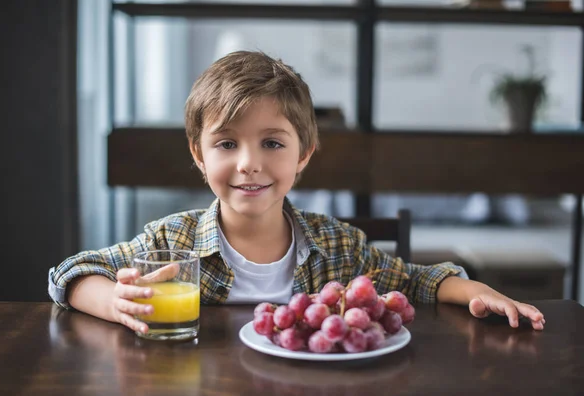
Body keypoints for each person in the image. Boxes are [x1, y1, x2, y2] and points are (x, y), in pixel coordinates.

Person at [48, 51, 545, 335]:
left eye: (272, 143)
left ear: (303, 153)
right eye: (226, 143)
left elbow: (416, 280)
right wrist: (115, 302)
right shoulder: (171, 242)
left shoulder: (339, 246)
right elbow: (70, 273)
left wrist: (474, 289)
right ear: (199, 157)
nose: (249, 163)